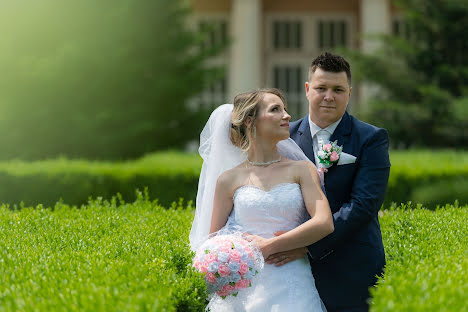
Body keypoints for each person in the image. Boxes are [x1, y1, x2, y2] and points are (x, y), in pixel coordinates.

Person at [190, 88, 334, 311]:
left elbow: (324, 222)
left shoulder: (302, 169)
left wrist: (268, 246)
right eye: (276, 109)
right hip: (245, 286)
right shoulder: (228, 179)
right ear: (250, 121)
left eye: (285, 109)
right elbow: (212, 241)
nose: (287, 116)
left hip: (292, 279)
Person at [268, 52, 391, 311]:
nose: (328, 96)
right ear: (307, 89)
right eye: (321, 88)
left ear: (349, 92)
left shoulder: (371, 138)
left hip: (351, 267)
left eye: (338, 89)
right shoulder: (282, 137)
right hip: (287, 270)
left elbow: (364, 205)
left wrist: (307, 244)